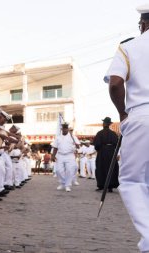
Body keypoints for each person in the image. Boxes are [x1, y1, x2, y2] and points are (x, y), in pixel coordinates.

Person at [105, 5, 149, 252]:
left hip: (142, 115)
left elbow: (115, 83)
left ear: (142, 24)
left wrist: (123, 113)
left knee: (132, 181)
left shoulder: (130, 46)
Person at [51, 123, 80, 192]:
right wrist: (53, 156)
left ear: (67, 129)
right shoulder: (58, 137)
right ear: (62, 129)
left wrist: (76, 143)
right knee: (58, 170)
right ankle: (63, 183)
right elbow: (55, 147)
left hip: (70, 155)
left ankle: (67, 185)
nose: (64, 130)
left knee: (70, 170)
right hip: (60, 155)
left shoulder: (73, 136)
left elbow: (78, 146)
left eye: (66, 128)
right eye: (63, 128)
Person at [93, 117, 119, 192]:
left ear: (104, 124)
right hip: (111, 152)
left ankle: (101, 185)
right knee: (111, 168)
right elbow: (117, 144)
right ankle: (110, 186)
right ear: (109, 124)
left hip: (102, 152)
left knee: (101, 168)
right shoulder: (113, 133)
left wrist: (100, 149)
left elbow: (97, 145)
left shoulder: (99, 133)